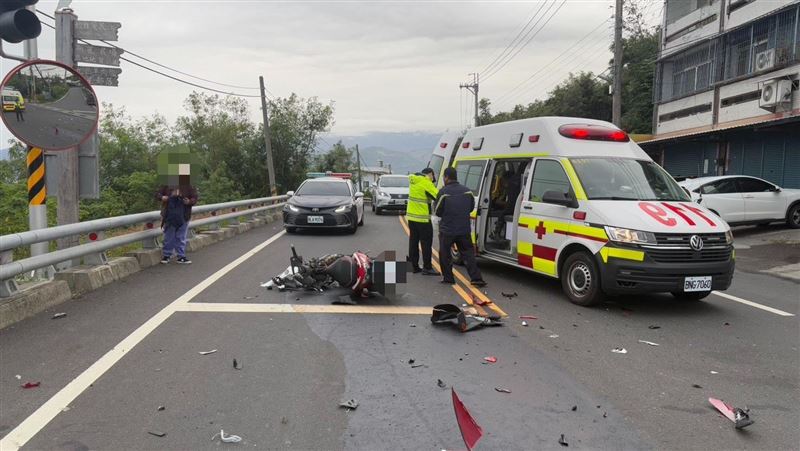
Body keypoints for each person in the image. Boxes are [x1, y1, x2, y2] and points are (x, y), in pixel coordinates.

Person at [435, 167, 486, 287]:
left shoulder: (443, 192)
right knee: (468, 254)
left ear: (446, 177)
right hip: (464, 229)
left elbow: (437, 211)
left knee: (445, 254)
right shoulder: (467, 191)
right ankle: (476, 278)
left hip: (447, 229)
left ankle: (448, 278)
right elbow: (471, 208)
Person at [156, 175, 198, 264]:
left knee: (181, 237)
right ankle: (167, 255)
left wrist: (189, 201)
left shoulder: (188, 184)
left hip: (184, 214)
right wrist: (163, 197)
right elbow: (157, 194)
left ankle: (181, 256)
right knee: (169, 236)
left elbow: (195, 197)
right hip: (169, 215)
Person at [406, 167, 440, 275]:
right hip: (423, 219)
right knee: (426, 243)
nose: (433, 178)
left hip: (412, 218)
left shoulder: (414, 181)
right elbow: (438, 196)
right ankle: (427, 267)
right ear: (430, 174)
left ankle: (414, 266)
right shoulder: (426, 182)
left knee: (413, 241)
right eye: (433, 175)